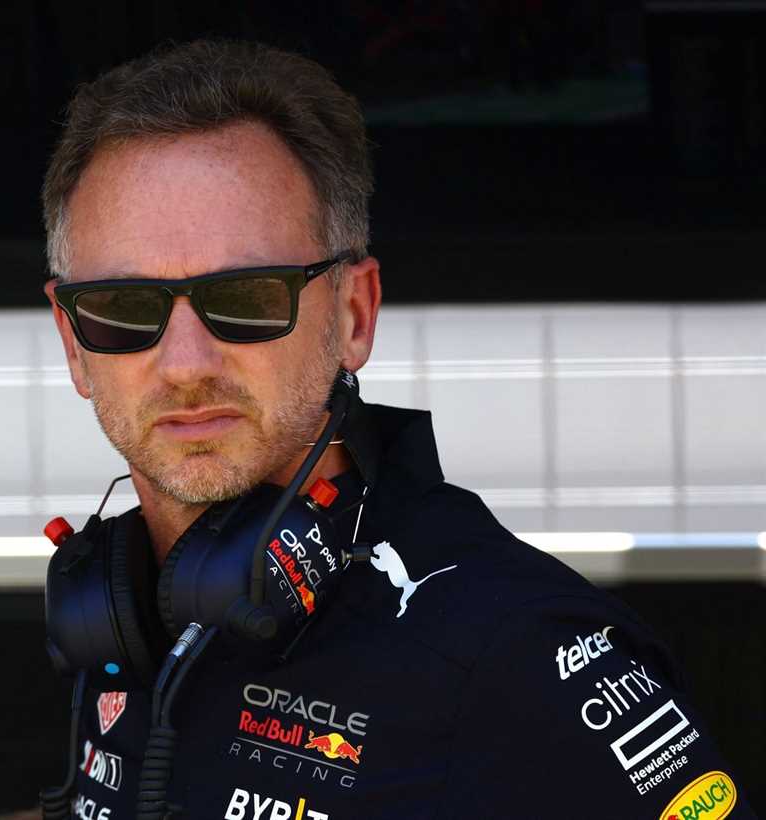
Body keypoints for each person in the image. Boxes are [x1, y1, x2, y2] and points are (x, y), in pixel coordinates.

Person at [37, 39, 754, 820]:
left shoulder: (515, 649)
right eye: (125, 309)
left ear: (354, 313)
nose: (183, 364)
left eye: (246, 296)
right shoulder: (125, 620)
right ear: (75, 343)